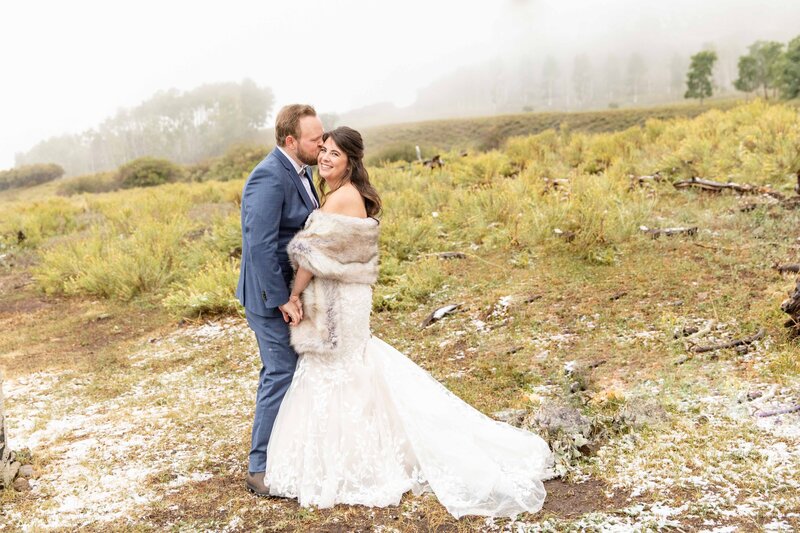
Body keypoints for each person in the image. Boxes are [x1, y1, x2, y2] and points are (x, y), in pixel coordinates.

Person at [263, 126, 555, 518]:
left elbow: (309, 258)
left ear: (350, 160)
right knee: (351, 365)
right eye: (324, 151)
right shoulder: (341, 195)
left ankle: (353, 462)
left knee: (339, 368)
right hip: (347, 297)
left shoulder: (340, 199)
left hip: (338, 302)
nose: (326, 157)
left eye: (335, 153)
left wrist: (294, 295)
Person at [235, 104, 323, 496]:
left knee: (293, 371)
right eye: (315, 139)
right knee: (280, 371)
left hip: (293, 293)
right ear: (291, 141)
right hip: (269, 298)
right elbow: (259, 245)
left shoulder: (303, 173)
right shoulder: (269, 177)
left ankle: (291, 451)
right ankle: (260, 467)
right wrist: (283, 299)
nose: (322, 144)